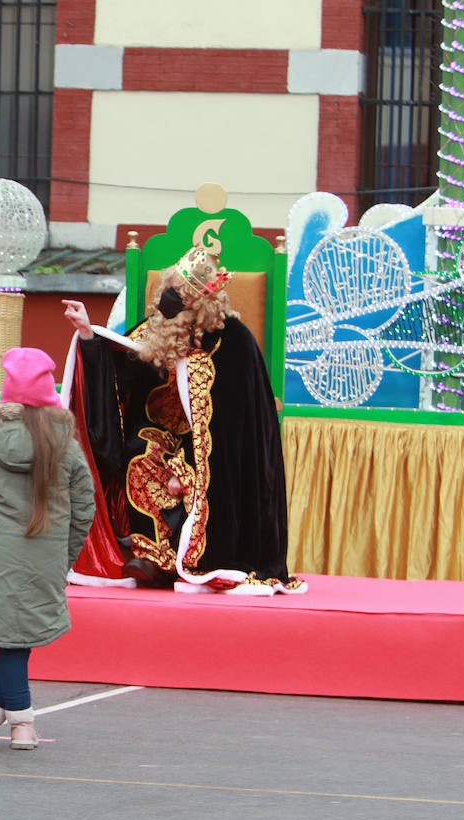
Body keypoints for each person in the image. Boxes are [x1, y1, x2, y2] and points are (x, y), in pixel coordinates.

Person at [61, 245, 305, 595]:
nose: (167, 297)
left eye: (178, 292)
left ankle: (187, 556)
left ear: (197, 301)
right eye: (169, 288)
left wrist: (188, 468)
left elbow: (237, 430)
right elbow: (118, 370)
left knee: (182, 475)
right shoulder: (156, 329)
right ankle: (153, 556)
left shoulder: (233, 342)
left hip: (210, 451)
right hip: (161, 437)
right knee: (138, 454)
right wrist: (88, 334)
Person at [0, 348, 95, 749]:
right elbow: (85, 507)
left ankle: (14, 718)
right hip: (45, 553)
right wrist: (63, 556)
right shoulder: (66, 444)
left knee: (9, 635)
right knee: (16, 634)